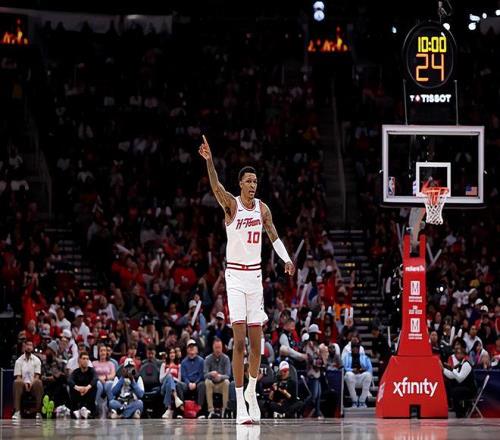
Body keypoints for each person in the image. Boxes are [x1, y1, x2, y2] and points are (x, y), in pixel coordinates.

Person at [199, 135, 295, 424]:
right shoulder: (231, 204)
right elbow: (215, 185)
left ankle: (252, 390)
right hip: (235, 277)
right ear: (240, 183)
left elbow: (274, 236)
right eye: (249, 181)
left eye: (255, 181)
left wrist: (287, 259)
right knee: (239, 342)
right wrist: (209, 161)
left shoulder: (263, 209)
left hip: (255, 277)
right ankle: (240, 401)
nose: (253, 185)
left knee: (257, 344)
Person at [442, 345, 476, 417]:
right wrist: (443, 369)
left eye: (459, 353)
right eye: (456, 353)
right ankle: (458, 410)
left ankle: (461, 412)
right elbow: (452, 376)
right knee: (452, 386)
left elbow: (460, 378)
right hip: (465, 388)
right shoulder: (460, 364)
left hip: (470, 390)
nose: (457, 355)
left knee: (456, 390)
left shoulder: (466, 364)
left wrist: (452, 369)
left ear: (464, 355)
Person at [12, 340, 44, 420]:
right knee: (17, 382)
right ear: (24, 347)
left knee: (38, 382)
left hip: (33, 384)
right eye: (27, 345)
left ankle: (38, 412)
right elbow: (18, 377)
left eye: (31, 345)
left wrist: (30, 384)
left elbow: (37, 376)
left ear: (33, 348)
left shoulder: (37, 360)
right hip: (22, 384)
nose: (29, 347)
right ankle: (17, 412)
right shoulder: (18, 361)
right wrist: (25, 385)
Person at [204, 338, 231, 419]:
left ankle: (225, 410)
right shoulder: (208, 359)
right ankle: (211, 410)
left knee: (227, 382)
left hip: (221, 384)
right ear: (213, 347)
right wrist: (211, 374)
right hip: (212, 383)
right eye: (216, 348)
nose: (218, 350)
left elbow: (228, 375)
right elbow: (205, 375)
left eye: (219, 347)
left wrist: (220, 377)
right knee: (207, 382)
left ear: (222, 347)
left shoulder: (226, 358)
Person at [178, 339, 206, 416]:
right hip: (187, 384)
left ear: (197, 350)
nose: (191, 349)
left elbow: (201, 375)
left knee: (202, 384)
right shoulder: (183, 362)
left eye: (193, 347)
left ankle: (200, 409)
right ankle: (182, 409)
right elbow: (184, 376)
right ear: (187, 350)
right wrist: (189, 383)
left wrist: (195, 383)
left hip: (197, 382)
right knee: (179, 385)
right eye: (189, 348)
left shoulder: (201, 361)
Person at [342, 342, 373, 408]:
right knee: (348, 374)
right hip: (352, 376)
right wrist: (352, 370)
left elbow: (370, 368)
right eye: (354, 347)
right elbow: (344, 367)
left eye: (357, 348)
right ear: (351, 349)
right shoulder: (346, 357)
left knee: (368, 375)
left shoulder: (365, 357)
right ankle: (355, 401)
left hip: (361, 376)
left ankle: (362, 401)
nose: (355, 349)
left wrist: (363, 370)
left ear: (359, 349)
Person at [68, 352, 97, 419]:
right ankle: (77, 410)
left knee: (94, 385)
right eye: (84, 358)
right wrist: (78, 388)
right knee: (71, 386)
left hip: (88, 395)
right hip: (78, 394)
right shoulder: (76, 372)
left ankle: (87, 410)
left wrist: (87, 388)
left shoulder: (91, 370)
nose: (85, 361)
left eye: (87, 359)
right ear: (79, 360)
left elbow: (95, 378)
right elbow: (69, 380)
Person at [160, 347, 184, 419]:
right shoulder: (164, 365)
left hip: (172, 386)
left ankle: (169, 408)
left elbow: (179, 380)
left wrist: (172, 379)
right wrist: (168, 372)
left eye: (173, 353)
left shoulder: (178, 366)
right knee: (169, 377)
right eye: (170, 353)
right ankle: (176, 397)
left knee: (169, 383)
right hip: (163, 387)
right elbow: (161, 380)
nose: (172, 354)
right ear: (168, 354)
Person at [92, 345, 116, 418]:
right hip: (97, 382)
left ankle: (112, 407)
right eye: (101, 351)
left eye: (104, 351)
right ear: (98, 353)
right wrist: (99, 378)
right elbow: (92, 374)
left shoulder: (111, 363)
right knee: (98, 384)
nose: (103, 352)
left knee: (109, 383)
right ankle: (95, 406)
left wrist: (105, 377)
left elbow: (113, 374)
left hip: (107, 381)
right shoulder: (94, 363)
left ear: (106, 352)